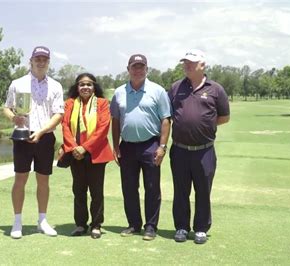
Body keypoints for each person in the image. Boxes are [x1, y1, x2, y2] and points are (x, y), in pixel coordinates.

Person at [168, 49, 230, 244]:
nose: (187, 65)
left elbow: (224, 117)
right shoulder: (176, 87)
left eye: (191, 63)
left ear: (202, 65)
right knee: (180, 191)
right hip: (179, 150)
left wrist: (204, 126)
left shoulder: (216, 89)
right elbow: (167, 115)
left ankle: (201, 228)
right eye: (185, 62)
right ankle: (181, 227)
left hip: (204, 150)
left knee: (203, 191)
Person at [3, 46, 64, 239]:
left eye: (44, 59)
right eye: (37, 58)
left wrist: (42, 131)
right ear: (31, 60)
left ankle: (42, 220)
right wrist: (14, 118)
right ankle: (17, 221)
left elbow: (58, 114)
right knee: (20, 179)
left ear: (48, 62)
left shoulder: (55, 85)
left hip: (45, 136)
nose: (40, 62)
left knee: (43, 180)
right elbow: (7, 108)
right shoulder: (18, 83)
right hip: (22, 135)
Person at [110, 54, 171, 241]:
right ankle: (134, 224)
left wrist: (162, 146)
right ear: (128, 69)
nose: (138, 70)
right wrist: (116, 147)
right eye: (134, 67)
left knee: (152, 187)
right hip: (127, 146)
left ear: (147, 69)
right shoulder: (119, 92)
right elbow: (116, 120)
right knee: (129, 187)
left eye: (141, 67)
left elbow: (165, 119)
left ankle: (150, 226)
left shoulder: (158, 91)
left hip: (150, 145)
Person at [59, 73, 115, 239]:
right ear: (77, 87)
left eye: (89, 84)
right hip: (75, 153)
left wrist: (85, 148)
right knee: (79, 190)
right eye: (82, 84)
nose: (85, 87)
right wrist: (74, 148)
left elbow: (103, 128)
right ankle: (80, 224)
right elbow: (65, 126)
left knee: (96, 192)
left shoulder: (102, 103)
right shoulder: (69, 104)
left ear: (94, 87)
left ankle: (96, 225)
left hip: (96, 153)